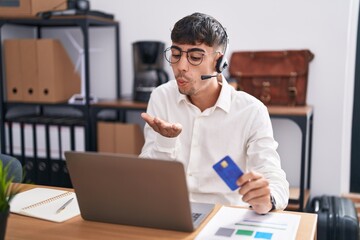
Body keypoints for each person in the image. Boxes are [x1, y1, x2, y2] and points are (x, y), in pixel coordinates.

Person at [140, 12, 289, 214]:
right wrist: (165, 142)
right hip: (171, 212)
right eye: (176, 55)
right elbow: (147, 177)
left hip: (224, 215)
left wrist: (267, 198)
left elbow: (273, 176)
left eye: (194, 57)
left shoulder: (251, 111)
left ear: (218, 63)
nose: (181, 67)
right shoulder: (162, 97)